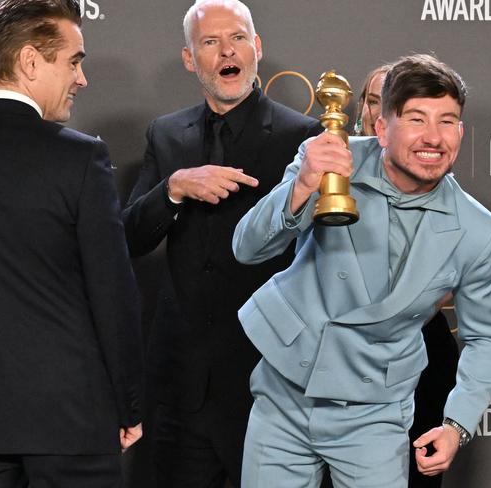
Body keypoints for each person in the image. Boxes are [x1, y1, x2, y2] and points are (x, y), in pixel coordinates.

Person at [233, 53, 491, 488]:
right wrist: (303, 184)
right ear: (381, 127)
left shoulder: (476, 229)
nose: (433, 137)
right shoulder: (328, 161)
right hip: (284, 394)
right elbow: (247, 248)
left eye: (448, 121)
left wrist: (457, 424)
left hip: (374, 411)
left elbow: (486, 336)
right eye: (416, 119)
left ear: (461, 131)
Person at [121, 0, 322, 486]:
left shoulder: (303, 136)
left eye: (236, 38)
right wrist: (173, 188)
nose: (225, 51)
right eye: (210, 42)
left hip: (269, 383)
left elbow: (322, 255)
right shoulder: (166, 135)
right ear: (191, 59)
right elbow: (128, 236)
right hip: (182, 384)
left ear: (256, 48)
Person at [0, 1, 144, 487]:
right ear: (29, 62)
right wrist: (128, 403)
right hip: (70, 421)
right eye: (74, 61)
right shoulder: (80, 158)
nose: (81, 79)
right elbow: (111, 291)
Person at [353, 64, 459, 488]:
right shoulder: (325, 177)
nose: (381, 112)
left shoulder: (442, 195)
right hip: (338, 364)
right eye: (373, 101)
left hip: (419, 353)